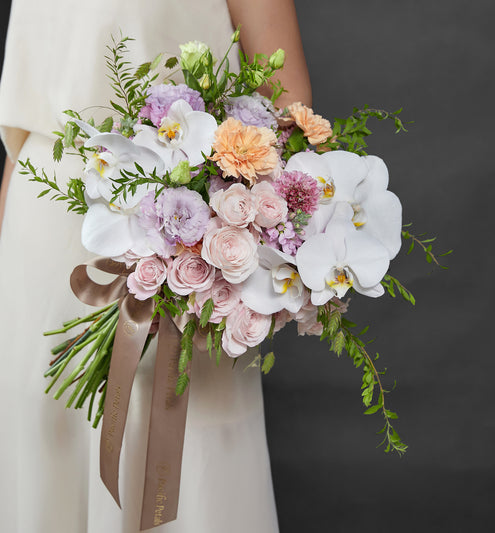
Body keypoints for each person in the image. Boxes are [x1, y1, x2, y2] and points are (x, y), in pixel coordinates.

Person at [0, 1, 311, 532]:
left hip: (176, 226)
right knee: (41, 446)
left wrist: (223, 229)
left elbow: (289, 102)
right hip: (40, 224)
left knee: (174, 449)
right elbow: (27, 117)